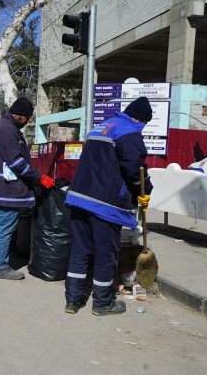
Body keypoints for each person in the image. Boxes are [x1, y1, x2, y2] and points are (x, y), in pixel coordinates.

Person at [63, 97, 153, 316]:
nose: (142, 128)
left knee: (81, 250)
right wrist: (144, 191)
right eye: (144, 124)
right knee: (105, 253)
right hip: (105, 204)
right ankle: (102, 303)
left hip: (79, 198)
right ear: (140, 119)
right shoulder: (129, 130)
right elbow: (134, 169)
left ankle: (73, 301)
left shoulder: (101, 127)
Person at [0, 97, 54, 280]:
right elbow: (17, 163)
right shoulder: (7, 129)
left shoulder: (1, 125)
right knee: (4, 226)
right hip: (5, 189)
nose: (27, 121)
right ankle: (0, 267)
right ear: (19, 115)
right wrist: (40, 177)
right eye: (27, 118)